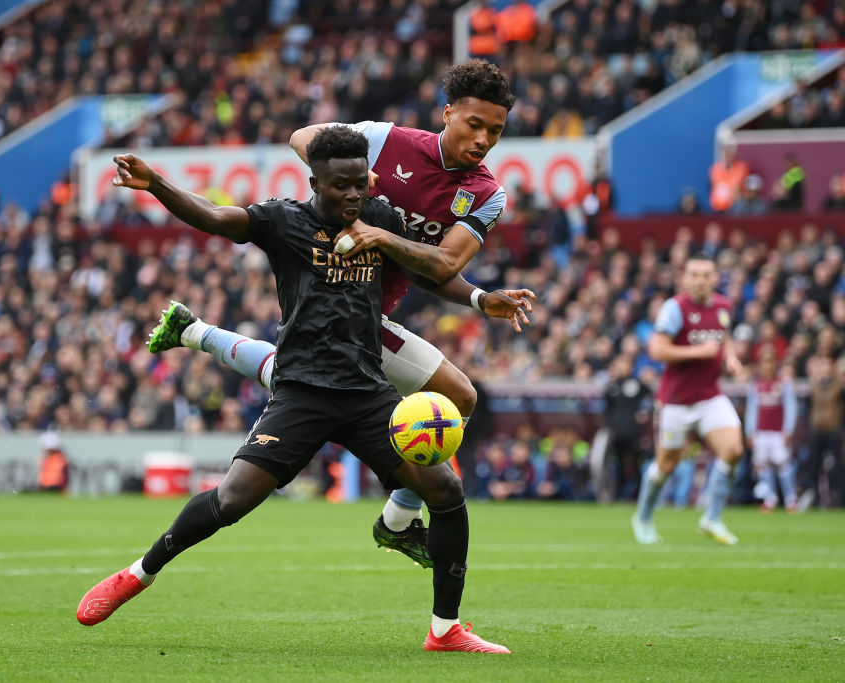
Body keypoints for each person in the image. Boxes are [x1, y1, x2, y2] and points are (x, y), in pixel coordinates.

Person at [77, 127, 512, 653]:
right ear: (315, 181)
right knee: (232, 501)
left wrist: (478, 298)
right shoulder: (281, 221)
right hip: (302, 392)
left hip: (366, 392)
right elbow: (215, 217)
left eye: (360, 185)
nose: (353, 196)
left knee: (445, 491)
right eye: (341, 186)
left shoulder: (379, 219)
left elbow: (427, 270)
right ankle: (138, 573)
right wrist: (158, 185)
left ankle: (445, 629)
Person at [145, 59, 532, 569]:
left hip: (369, 315)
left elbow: (440, 264)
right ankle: (399, 520)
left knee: (453, 398)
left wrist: (480, 299)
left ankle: (197, 332)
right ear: (448, 113)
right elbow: (304, 135)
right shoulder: (385, 140)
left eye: (496, 131)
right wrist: (352, 170)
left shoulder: (485, 194)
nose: (483, 139)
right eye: (475, 124)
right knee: (455, 395)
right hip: (322, 275)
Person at [632, 253, 745, 546]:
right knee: (666, 466)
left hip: (710, 396)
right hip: (676, 401)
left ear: (716, 278)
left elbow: (724, 337)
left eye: (706, 275)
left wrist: (731, 359)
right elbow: (657, 350)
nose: (700, 280)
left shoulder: (723, 306)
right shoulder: (675, 309)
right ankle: (643, 518)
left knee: (733, 450)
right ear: (684, 279)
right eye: (694, 275)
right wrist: (697, 352)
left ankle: (712, 518)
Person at [744, 351, 798, 513]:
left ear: (775, 364)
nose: (768, 366)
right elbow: (752, 410)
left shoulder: (783, 384)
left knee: (783, 465)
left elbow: (791, 408)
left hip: (778, 433)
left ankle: (790, 499)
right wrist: (750, 432)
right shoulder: (756, 385)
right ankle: (770, 499)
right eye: (764, 363)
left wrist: (788, 429)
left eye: (770, 362)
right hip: (761, 432)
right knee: (763, 466)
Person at [603, 355, 652, 501]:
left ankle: (639, 496)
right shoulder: (611, 387)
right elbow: (607, 408)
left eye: (625, 364)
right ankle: (618, 495)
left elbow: (651, 398)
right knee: (617, 465)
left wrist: (645, 412)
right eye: (619, 364)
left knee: (636, 464)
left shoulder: (637, 384)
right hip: (616, 433)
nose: (622, 368)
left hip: (633, 432)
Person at [799, 356, 844, 509]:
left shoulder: (839, 386)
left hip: (833, 430)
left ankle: (839, 496)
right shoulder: (814, 387)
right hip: (817, 430)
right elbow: (808, 409)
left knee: (838, 466)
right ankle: (813, 497)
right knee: (813, 466)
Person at [708, 144, 749, 212]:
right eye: (726, 153)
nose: (728, 156)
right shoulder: (715, 169)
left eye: (730, 153)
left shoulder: (742, 168)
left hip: (735, 207)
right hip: (717, 207)